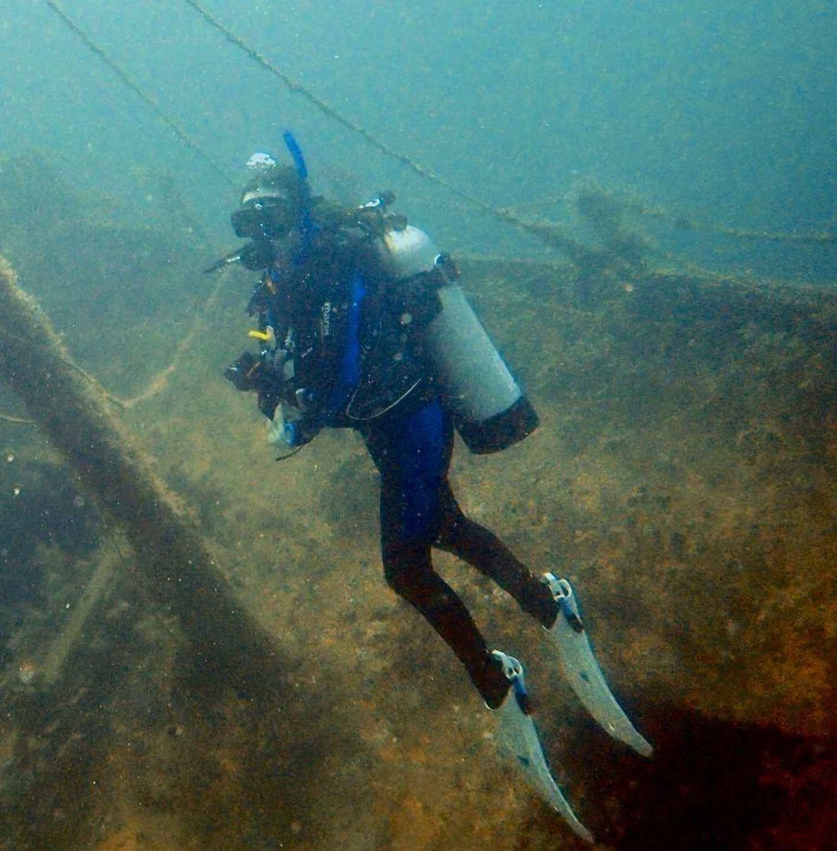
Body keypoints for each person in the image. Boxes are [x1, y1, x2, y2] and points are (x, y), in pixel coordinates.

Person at [221, 135, 650, 842]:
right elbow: (303, 382)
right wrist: (265, 379)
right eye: (250, 225)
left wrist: (288, 385)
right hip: (381, 425)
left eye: (271, 221)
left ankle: (498, 682)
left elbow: (335, 369)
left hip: (413, 415)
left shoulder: (330, 261)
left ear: (295, 216)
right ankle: (549, 603)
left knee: (404, 567)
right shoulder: (279, 284)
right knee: (446, 526)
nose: (261, 238)